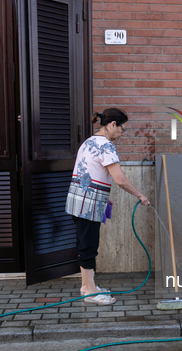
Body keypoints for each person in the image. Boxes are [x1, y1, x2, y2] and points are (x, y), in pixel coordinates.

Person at [65, 108, 150, 305]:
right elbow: (120, 179)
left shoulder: (89, 142)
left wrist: (103, 196)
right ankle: (88, 291)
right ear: (113, 125)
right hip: (88, 204)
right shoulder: (107, 146)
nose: (122, 132)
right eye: (122, 128)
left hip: (78, 200)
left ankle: (91, 286)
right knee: (88, 247)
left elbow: (90, 173)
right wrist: (140, 195)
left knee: (86, 244)